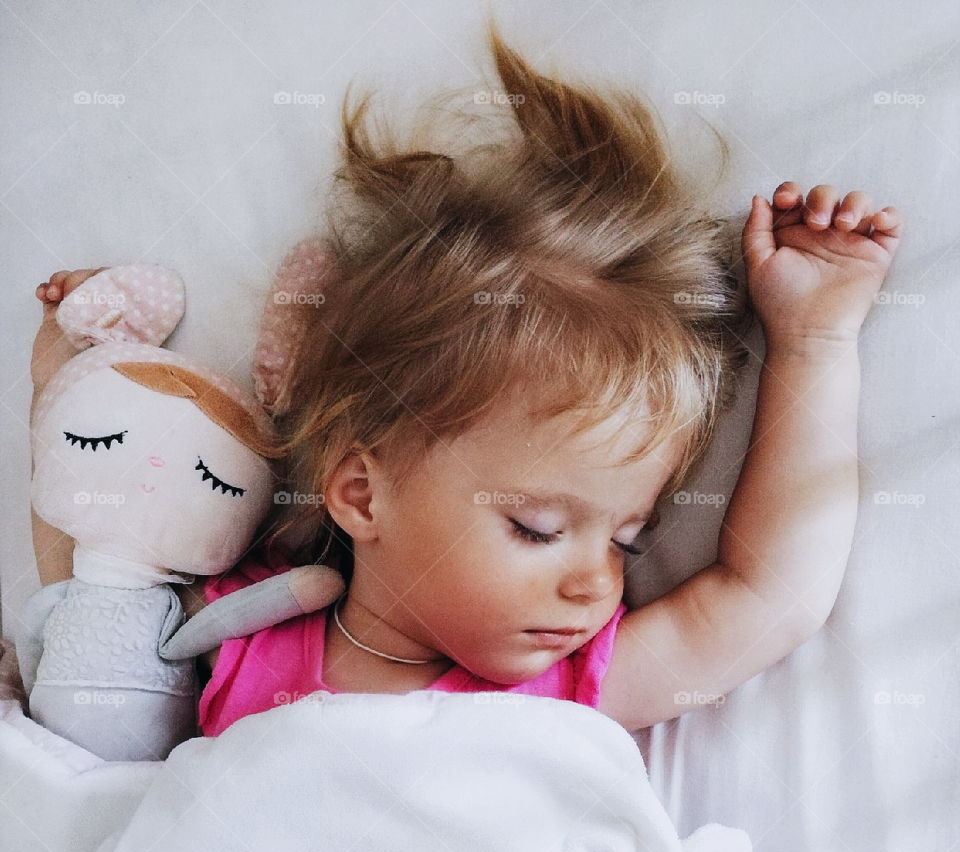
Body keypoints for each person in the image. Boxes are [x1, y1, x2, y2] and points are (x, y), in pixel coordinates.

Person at [29, 20, 902, 737]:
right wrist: (66, 367)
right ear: (363, 493)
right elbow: (91, 616)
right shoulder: (243, 635)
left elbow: (768, 595)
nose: (597, 582)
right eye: (535, 527)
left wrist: (815, 338)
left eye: (627, 539)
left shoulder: (570, 691)